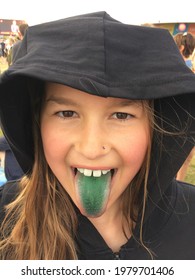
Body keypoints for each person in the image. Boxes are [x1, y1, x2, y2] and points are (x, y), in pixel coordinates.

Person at [0, 12, 195, 260]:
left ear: (154, 127)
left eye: (121, 116)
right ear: (37, 123)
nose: (91, 149)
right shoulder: (6, 218)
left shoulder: (190, 218)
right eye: (67, 113)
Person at [173, 32, 195, 181]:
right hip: (182, 117)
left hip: (184, 116)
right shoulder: (186, 67)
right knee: (184, 155)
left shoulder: (185, 67)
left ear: (180, 48)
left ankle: (177, 183)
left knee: (185, 154)